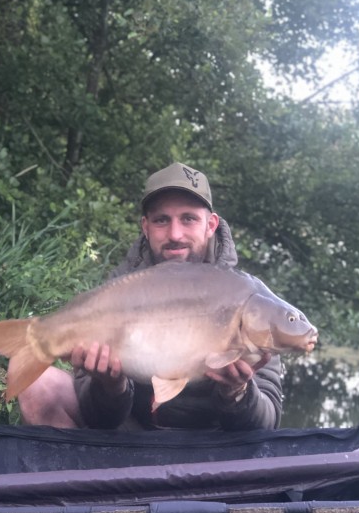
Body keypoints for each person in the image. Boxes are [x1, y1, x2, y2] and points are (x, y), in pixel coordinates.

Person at [18, 162, 283, 430]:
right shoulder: (118, 291)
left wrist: (236, 392)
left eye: (189, 219)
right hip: (131, 432)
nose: (175, 234)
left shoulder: (246, 298)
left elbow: (267, 422)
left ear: (210, 225)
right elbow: (99, 420)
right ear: (145, 226)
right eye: (161, 220)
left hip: (214, 440)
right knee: (40, 386)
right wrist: (111, 386)